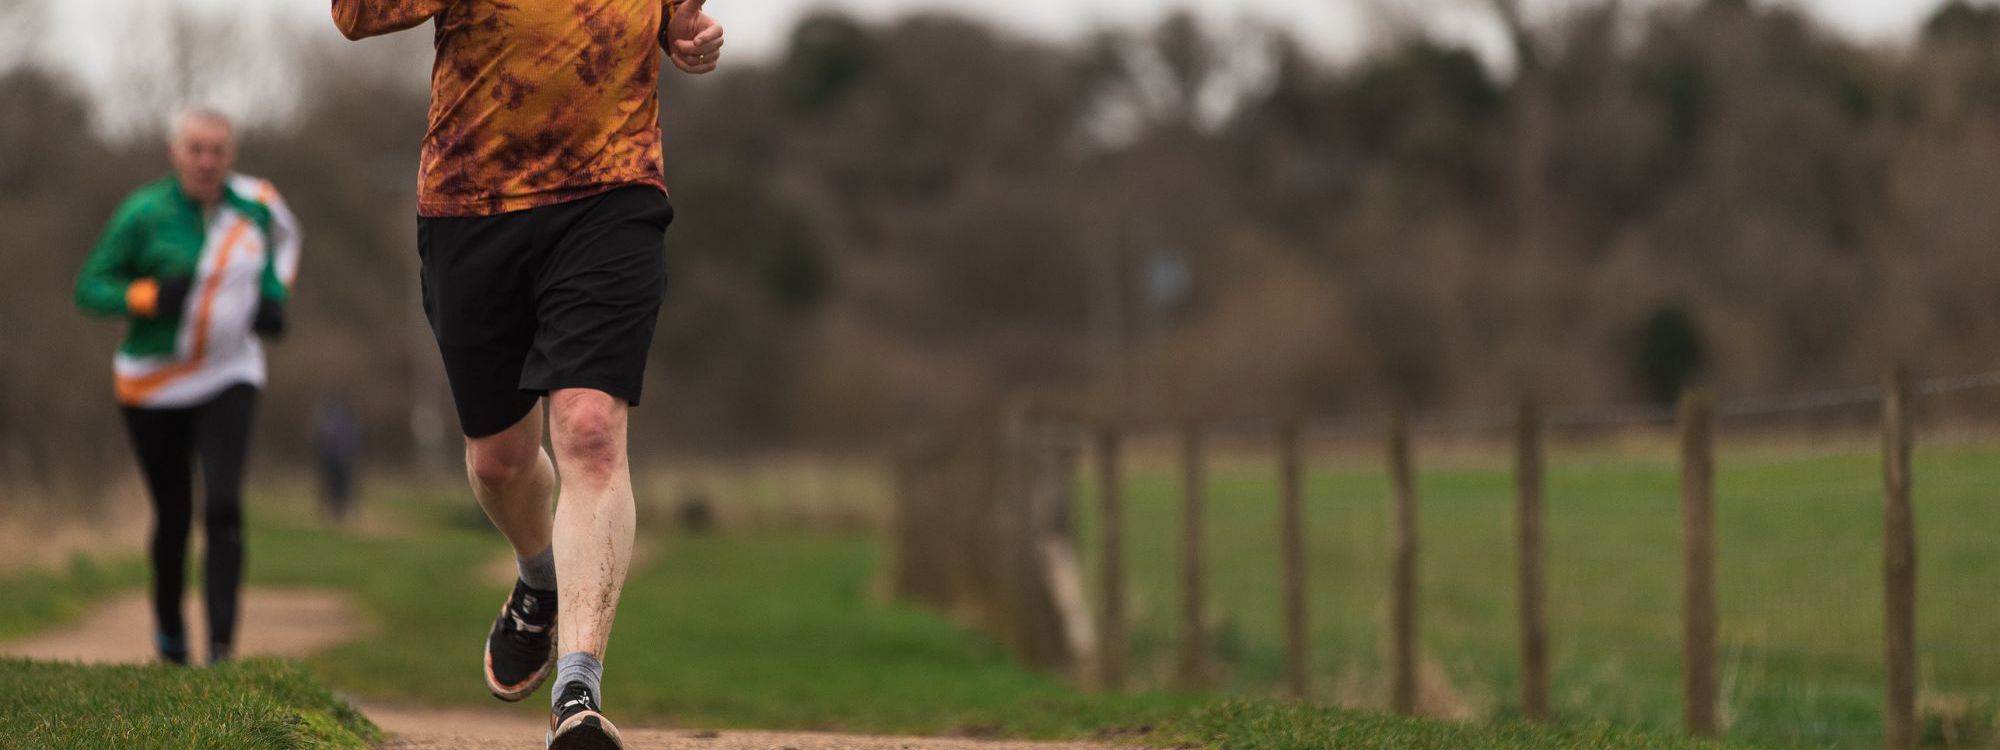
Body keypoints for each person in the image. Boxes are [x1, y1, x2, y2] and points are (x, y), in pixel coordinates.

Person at [330, 1, 723, 747]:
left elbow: (677, 20)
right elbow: (355, 15)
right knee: (500, 461)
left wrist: (681, 32)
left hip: (611, 192)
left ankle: (578, 692)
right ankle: (538, 578)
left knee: (589, 428)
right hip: (472, 201)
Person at [73, 108, 302, 666]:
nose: (207, 161)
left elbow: (281, 243)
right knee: (173, 514)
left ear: (231, 155)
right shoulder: (143, 213)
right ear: (175, 153)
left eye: (217, 151)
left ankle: (221, 651)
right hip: (153, 384)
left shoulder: (254, 204)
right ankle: (171, 637)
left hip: (230, 373)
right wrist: (145, 297)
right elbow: (89, 287)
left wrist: (272, 297)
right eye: (196, 149)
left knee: (222, 506)